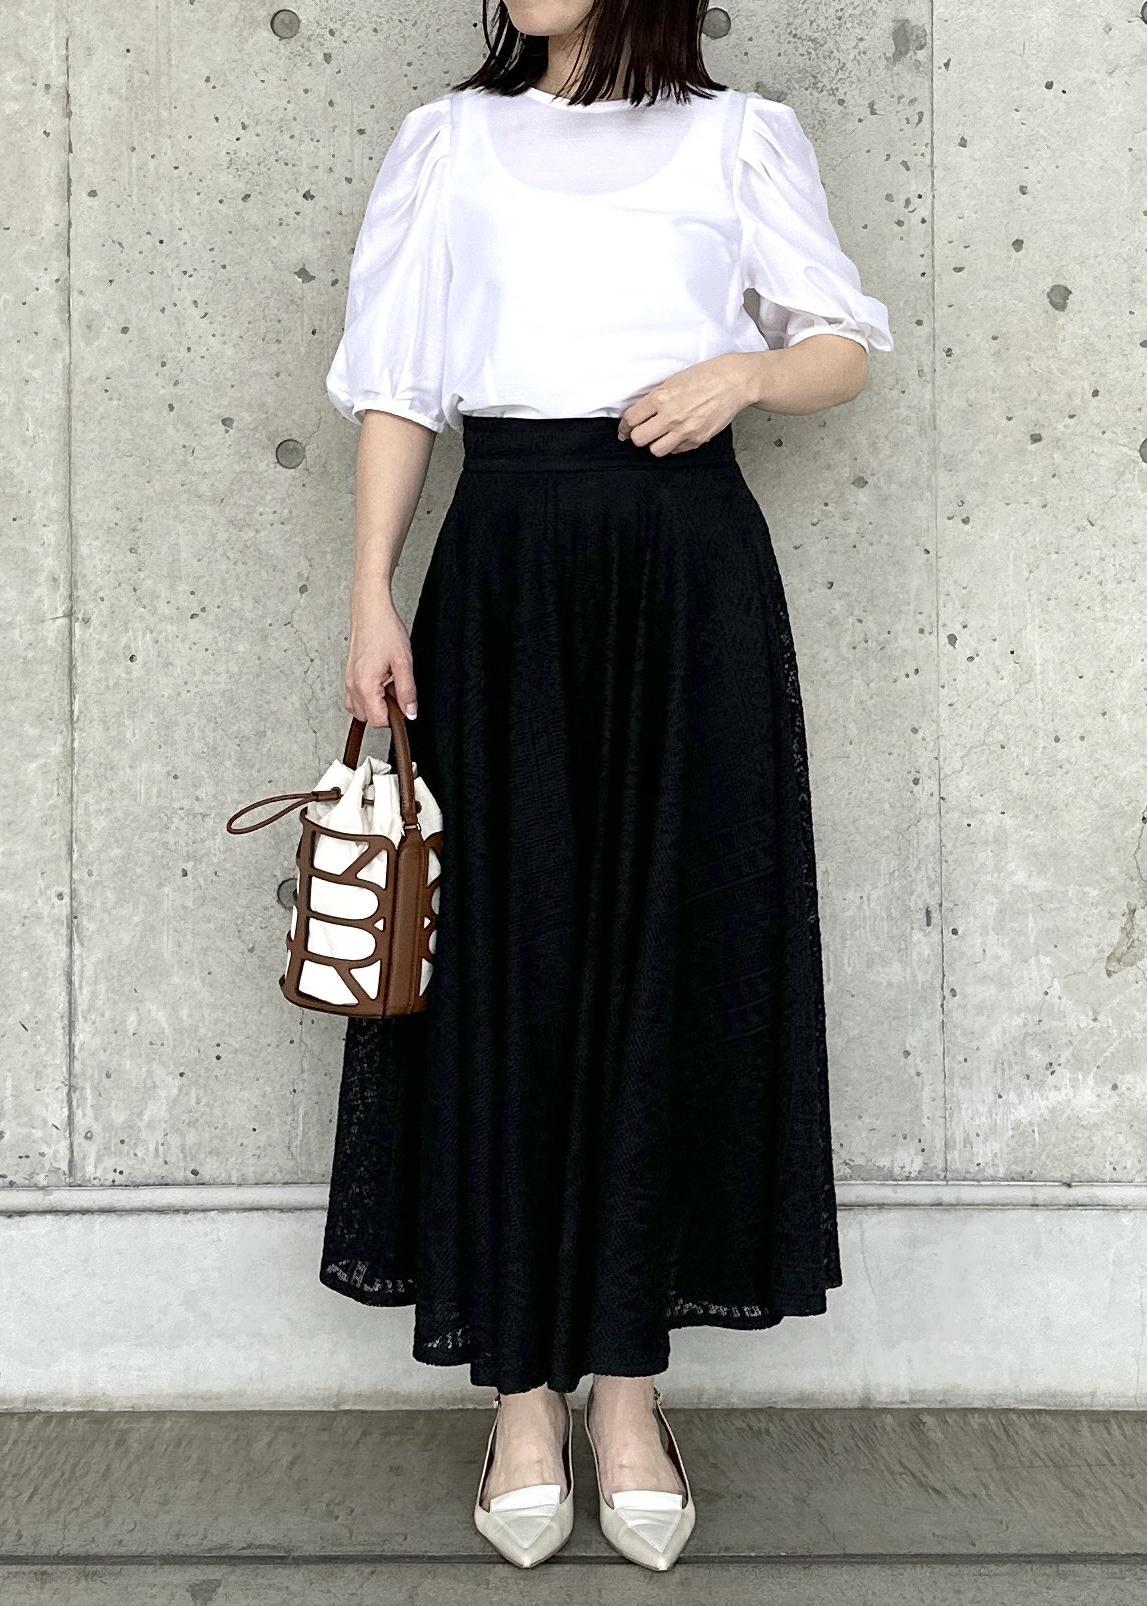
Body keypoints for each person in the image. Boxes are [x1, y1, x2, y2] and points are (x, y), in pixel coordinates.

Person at [321, 0, 892, 1572]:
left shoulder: (738, 137)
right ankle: (522, 1396)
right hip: (503, 574)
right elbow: (400, 383)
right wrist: (370, 593)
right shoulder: (449, 140)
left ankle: (628, 1393)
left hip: (684, 574)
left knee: (664, 957)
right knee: (509, 969)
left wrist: (743, 378)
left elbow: (844, 344)